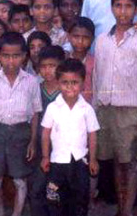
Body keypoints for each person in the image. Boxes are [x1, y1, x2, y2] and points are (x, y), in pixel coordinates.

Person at [93, 0, 137, 216]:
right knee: (114, 161)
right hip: (105, 109)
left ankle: (127, 211)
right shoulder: (102, 40)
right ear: (111, 8)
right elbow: (97, 76)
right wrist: (94, 110)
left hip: (131, 110)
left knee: (130, 162)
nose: (123, 11)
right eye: (118, 6)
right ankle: (120, 207)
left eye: (128, 6)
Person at [0, 32, 41, 216]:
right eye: (6, 56)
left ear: (24, 56)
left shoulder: (31, 82)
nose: (10, 61)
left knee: (19, 179)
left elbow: (36, 113)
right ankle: (0, 210)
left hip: (21, 132)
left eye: (16, 56)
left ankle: (17, 213)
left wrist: (32, 141)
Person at [40, 59, 100, 216]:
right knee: (55, 200)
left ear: (83, 83)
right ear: (58, 83)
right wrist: (45, 157)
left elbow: (92, 135)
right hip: (57, 162)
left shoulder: (87, 109)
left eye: (74, 82)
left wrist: (93, 159)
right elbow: (45, 134)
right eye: (65, 82)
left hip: (80, 162)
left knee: (79, 200)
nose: (69, 87)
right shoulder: (53, 108)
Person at [29, 45, 65, 216]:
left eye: (53, 66)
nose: (48, 71)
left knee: (57, 190)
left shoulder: (67, 91)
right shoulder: (35, 89)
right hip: (39, 146)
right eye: (43, 66)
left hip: (61, 149)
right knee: (37, 188)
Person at [67, 17, 96, 102]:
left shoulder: (95, 63)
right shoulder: (63, 62)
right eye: (76, 36)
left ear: (92, 39)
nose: (80, 41)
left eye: (86, 37)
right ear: (68, 36)